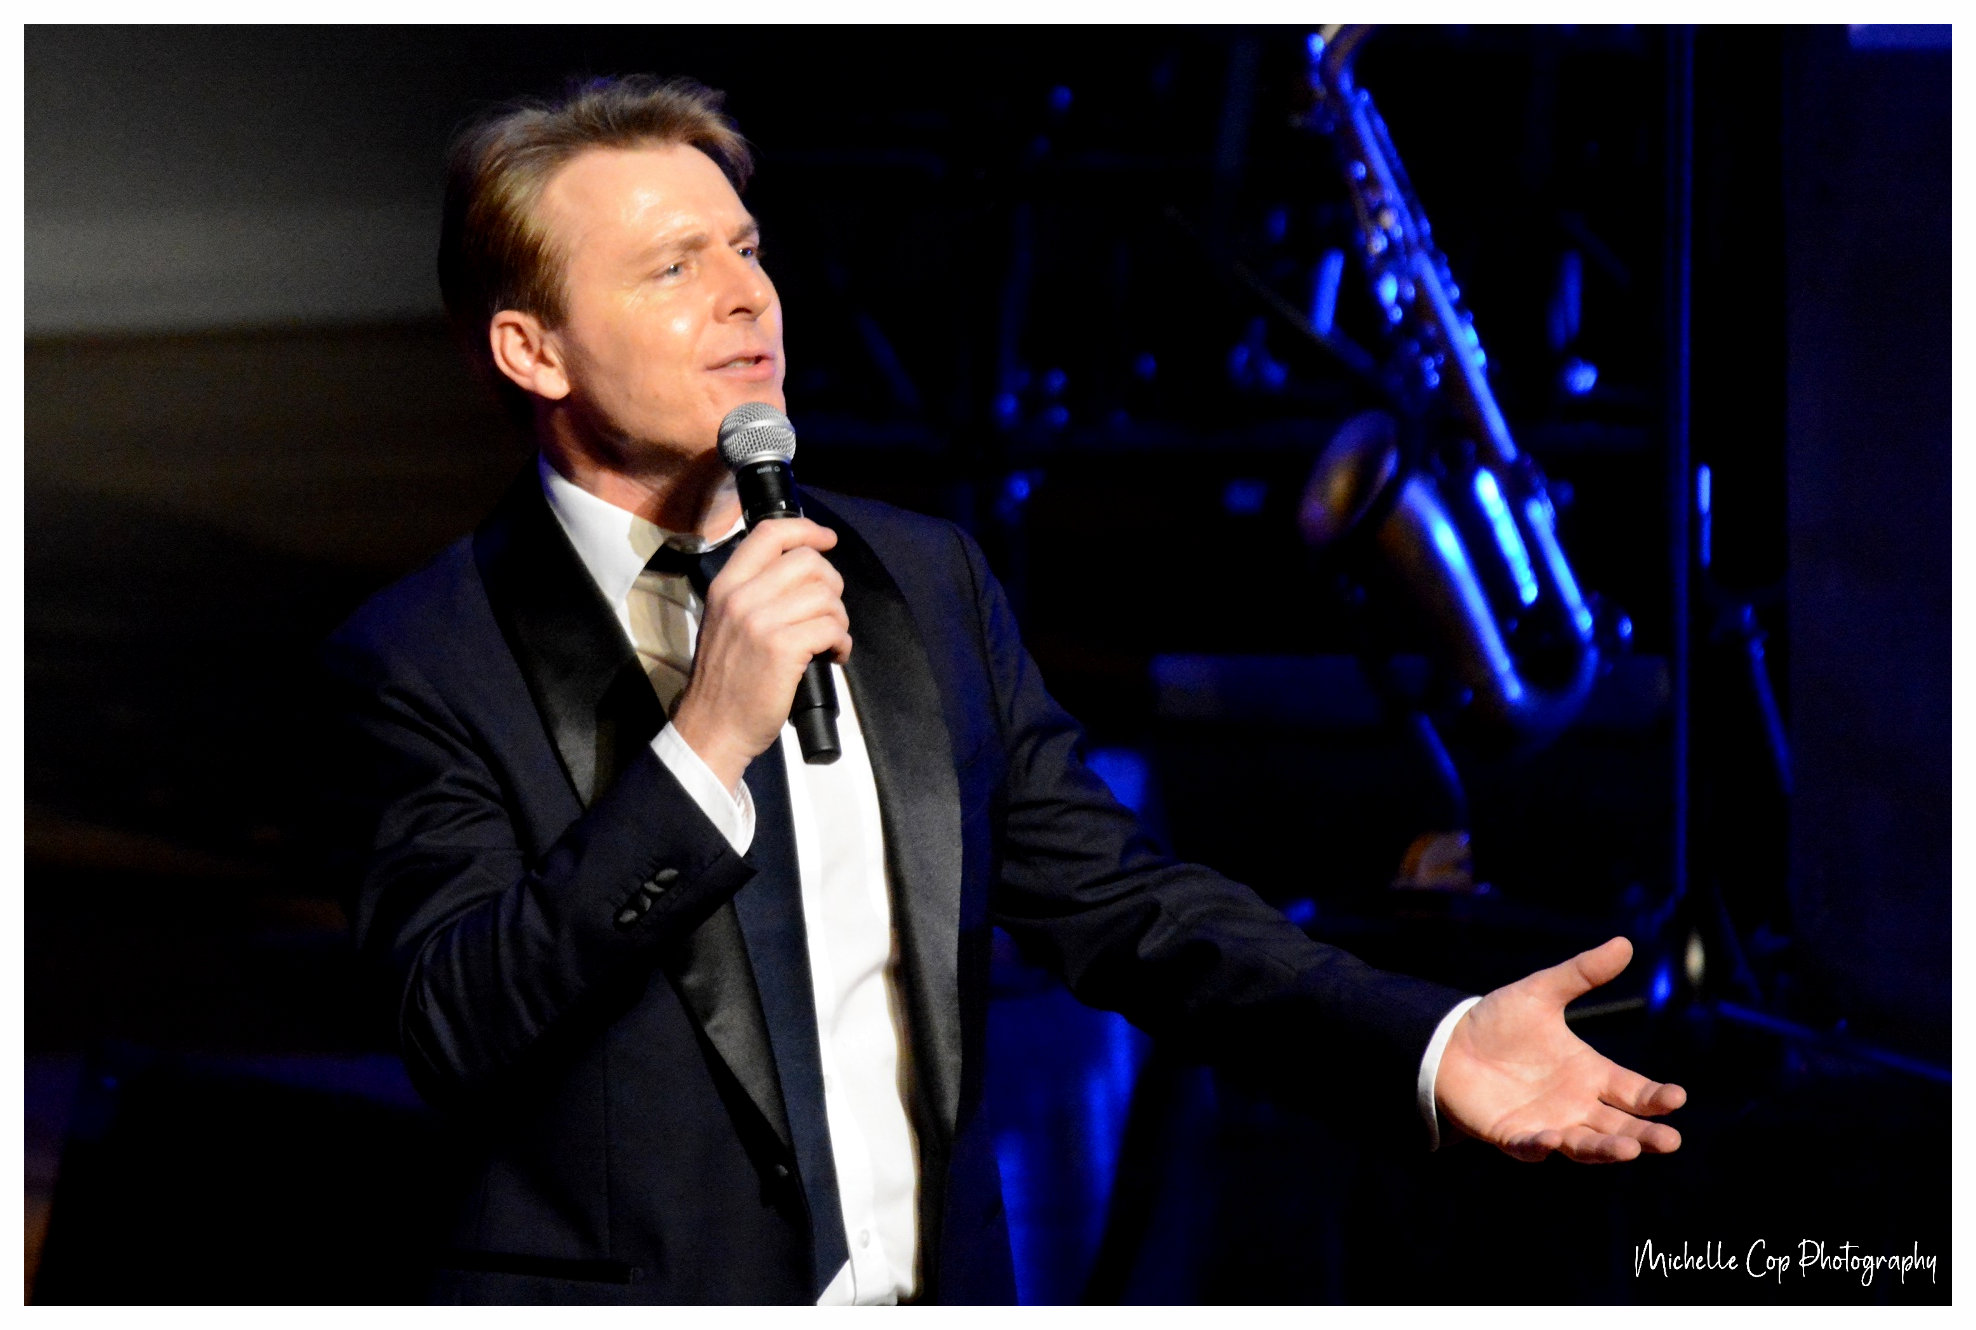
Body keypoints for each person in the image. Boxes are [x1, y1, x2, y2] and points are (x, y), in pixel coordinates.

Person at [322, 75, 1685, 1306]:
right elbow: (457, 1028)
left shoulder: (918, 580)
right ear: (535, 352)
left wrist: (1431, 1043)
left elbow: (1132, 911)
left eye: (745, 247)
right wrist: (704, 745)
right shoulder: (425, 658)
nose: (745, 296)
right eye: (673, 266)